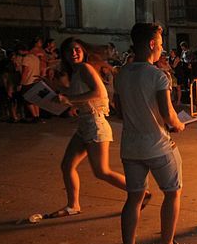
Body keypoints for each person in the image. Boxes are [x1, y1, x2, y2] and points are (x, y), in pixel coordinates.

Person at [114, 23, 189, 244]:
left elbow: (119, 111)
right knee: (172, 192)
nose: (162, 47)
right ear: (151, 45)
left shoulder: (121, 74)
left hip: (130, 147)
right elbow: (168, 114)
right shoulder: (158, 75)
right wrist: (178, 124)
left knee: (134, 198)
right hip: (157, 145)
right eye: (160, 43)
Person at [44, 38, 132, 218]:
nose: (73, 53)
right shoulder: (76, 72)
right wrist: (57, 89)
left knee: (101, 171)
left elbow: (99, 92)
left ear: (83, 51)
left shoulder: (85, 68)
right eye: (69, 51)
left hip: (95, 124)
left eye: (76, 49)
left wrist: (70, 100)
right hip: (85, 124)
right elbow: (79, 95)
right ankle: (73, 205)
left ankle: (139, 193)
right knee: (67, 165)